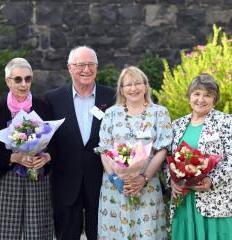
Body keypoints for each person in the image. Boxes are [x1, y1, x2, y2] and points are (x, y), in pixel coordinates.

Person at [44, 46, 115, 240]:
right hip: (65, 182)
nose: (86, 69)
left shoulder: (111, 97)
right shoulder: (53, 98)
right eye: (80, 65)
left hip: (102, 182)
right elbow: (48, 139)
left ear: (97, 67)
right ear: (69, 67)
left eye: (91, 64)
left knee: (101, 236)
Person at [97, 66, 172, 239]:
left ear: (146, 86)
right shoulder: (110, 114)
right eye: (128, 85)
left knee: (146, 232)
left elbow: (162, 149)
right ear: (121, 90)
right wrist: (116, 179)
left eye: (138, 83)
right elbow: (104, 150)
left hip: (147, 186)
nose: (133, 88)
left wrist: (143, 178)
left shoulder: (159, 113)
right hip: (115, 189)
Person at [0, 58, 53, 240]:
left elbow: (56, 143)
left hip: (37, 176)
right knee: (6, 233)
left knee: (37, 232)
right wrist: (13, 158)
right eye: (18, 79)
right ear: (8, 81)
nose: (24, 84)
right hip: (9, 178)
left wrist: (47, 157)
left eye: (28, 79)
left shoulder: (43, 106)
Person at [169, 73, 232, 239]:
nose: (201, 99)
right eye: (196, 93)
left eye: (208, 95)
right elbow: (167, 158)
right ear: (190, 96)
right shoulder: (177, 125)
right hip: (183, 200)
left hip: (215, 201)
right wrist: (172, 180)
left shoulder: (226, 122)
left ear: (214, 99)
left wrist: (211, 181)